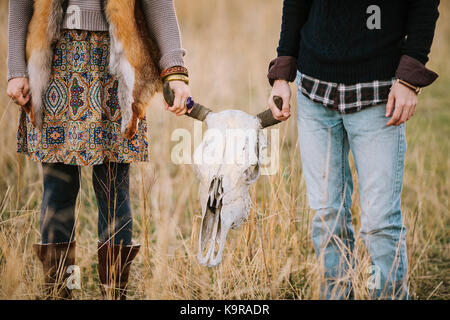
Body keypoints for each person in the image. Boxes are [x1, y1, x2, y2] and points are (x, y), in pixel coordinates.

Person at [6, 0, 191, 300]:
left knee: (113, 189)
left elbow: (158, 3)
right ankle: (62, 291)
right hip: (55, 62)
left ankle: (113, 294)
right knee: (58, 189)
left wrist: (175, 70)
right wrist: (16, 67)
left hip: (117, 65)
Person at [267, 0, 439, 299]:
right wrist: (282, 75)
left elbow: (424, 5)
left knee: (380, 223)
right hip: (315, 92)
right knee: (326, 215)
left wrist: (410, 76)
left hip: (378, 94)